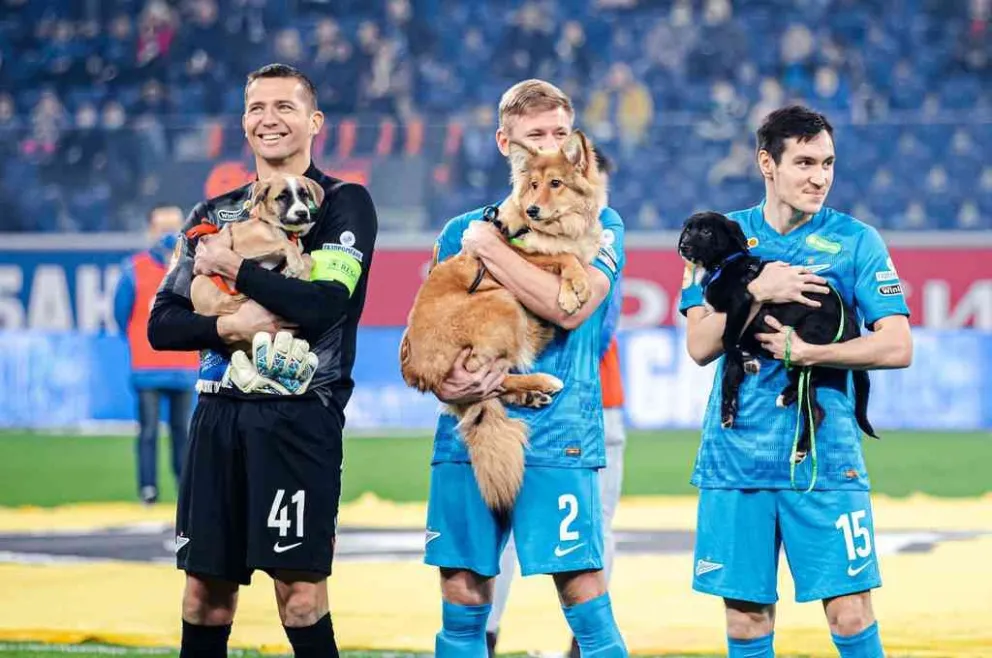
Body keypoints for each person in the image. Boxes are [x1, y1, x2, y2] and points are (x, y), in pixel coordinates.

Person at [148, 63, 378, 658]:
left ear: (314, 121)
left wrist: (235, 269)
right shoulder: (213, 212)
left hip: (300, 416)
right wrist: (230, 323)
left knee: (299, 597)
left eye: (284, 106)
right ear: (244, 123)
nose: (269, 118)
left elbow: (325, 305)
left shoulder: (344, 203)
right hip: (217, 416)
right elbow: (162, 324)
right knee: (203, 596)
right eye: (256, 108)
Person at [679, 105, 912, 658]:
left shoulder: (858, 241)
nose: (820, 177)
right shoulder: (720, 239)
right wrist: (759, 290)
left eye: (828, 163)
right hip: (735, 458)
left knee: (851, 612)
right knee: (745, 621)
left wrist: (811, 350)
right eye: (804, 162)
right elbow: (699, 346)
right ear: (767, 163)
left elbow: (898, 345)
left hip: (824, 458)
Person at [425, 79, 628, 657]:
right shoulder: (456, 230)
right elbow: (436, 319)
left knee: (585, 590)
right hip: (470, 433)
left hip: (562, 432)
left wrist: (489, 250)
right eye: (535, 135)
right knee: (462, 591)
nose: (550, 146)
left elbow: (575, 305)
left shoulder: (603, 225)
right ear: (505, 144)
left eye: (561, 134)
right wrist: (448, 376)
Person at [485, 149, 627, 658]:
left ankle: (580, 643)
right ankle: (489, 631)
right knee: (497, 534)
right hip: (524, 400)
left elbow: (595, 325)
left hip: (593, 404)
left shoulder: (606, 237)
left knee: (591, 536)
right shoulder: (525, 234)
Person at [114, 204, 199, 505]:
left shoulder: (196, 267)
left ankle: (185, 486)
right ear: (150, 230)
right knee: (148, 431)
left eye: (174, 226)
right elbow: (121, 314)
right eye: (162, 226)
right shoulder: (133, 269)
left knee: (184, 431)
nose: (168, 233)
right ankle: (148, 488)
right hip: (148, 366)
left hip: (184, 365)